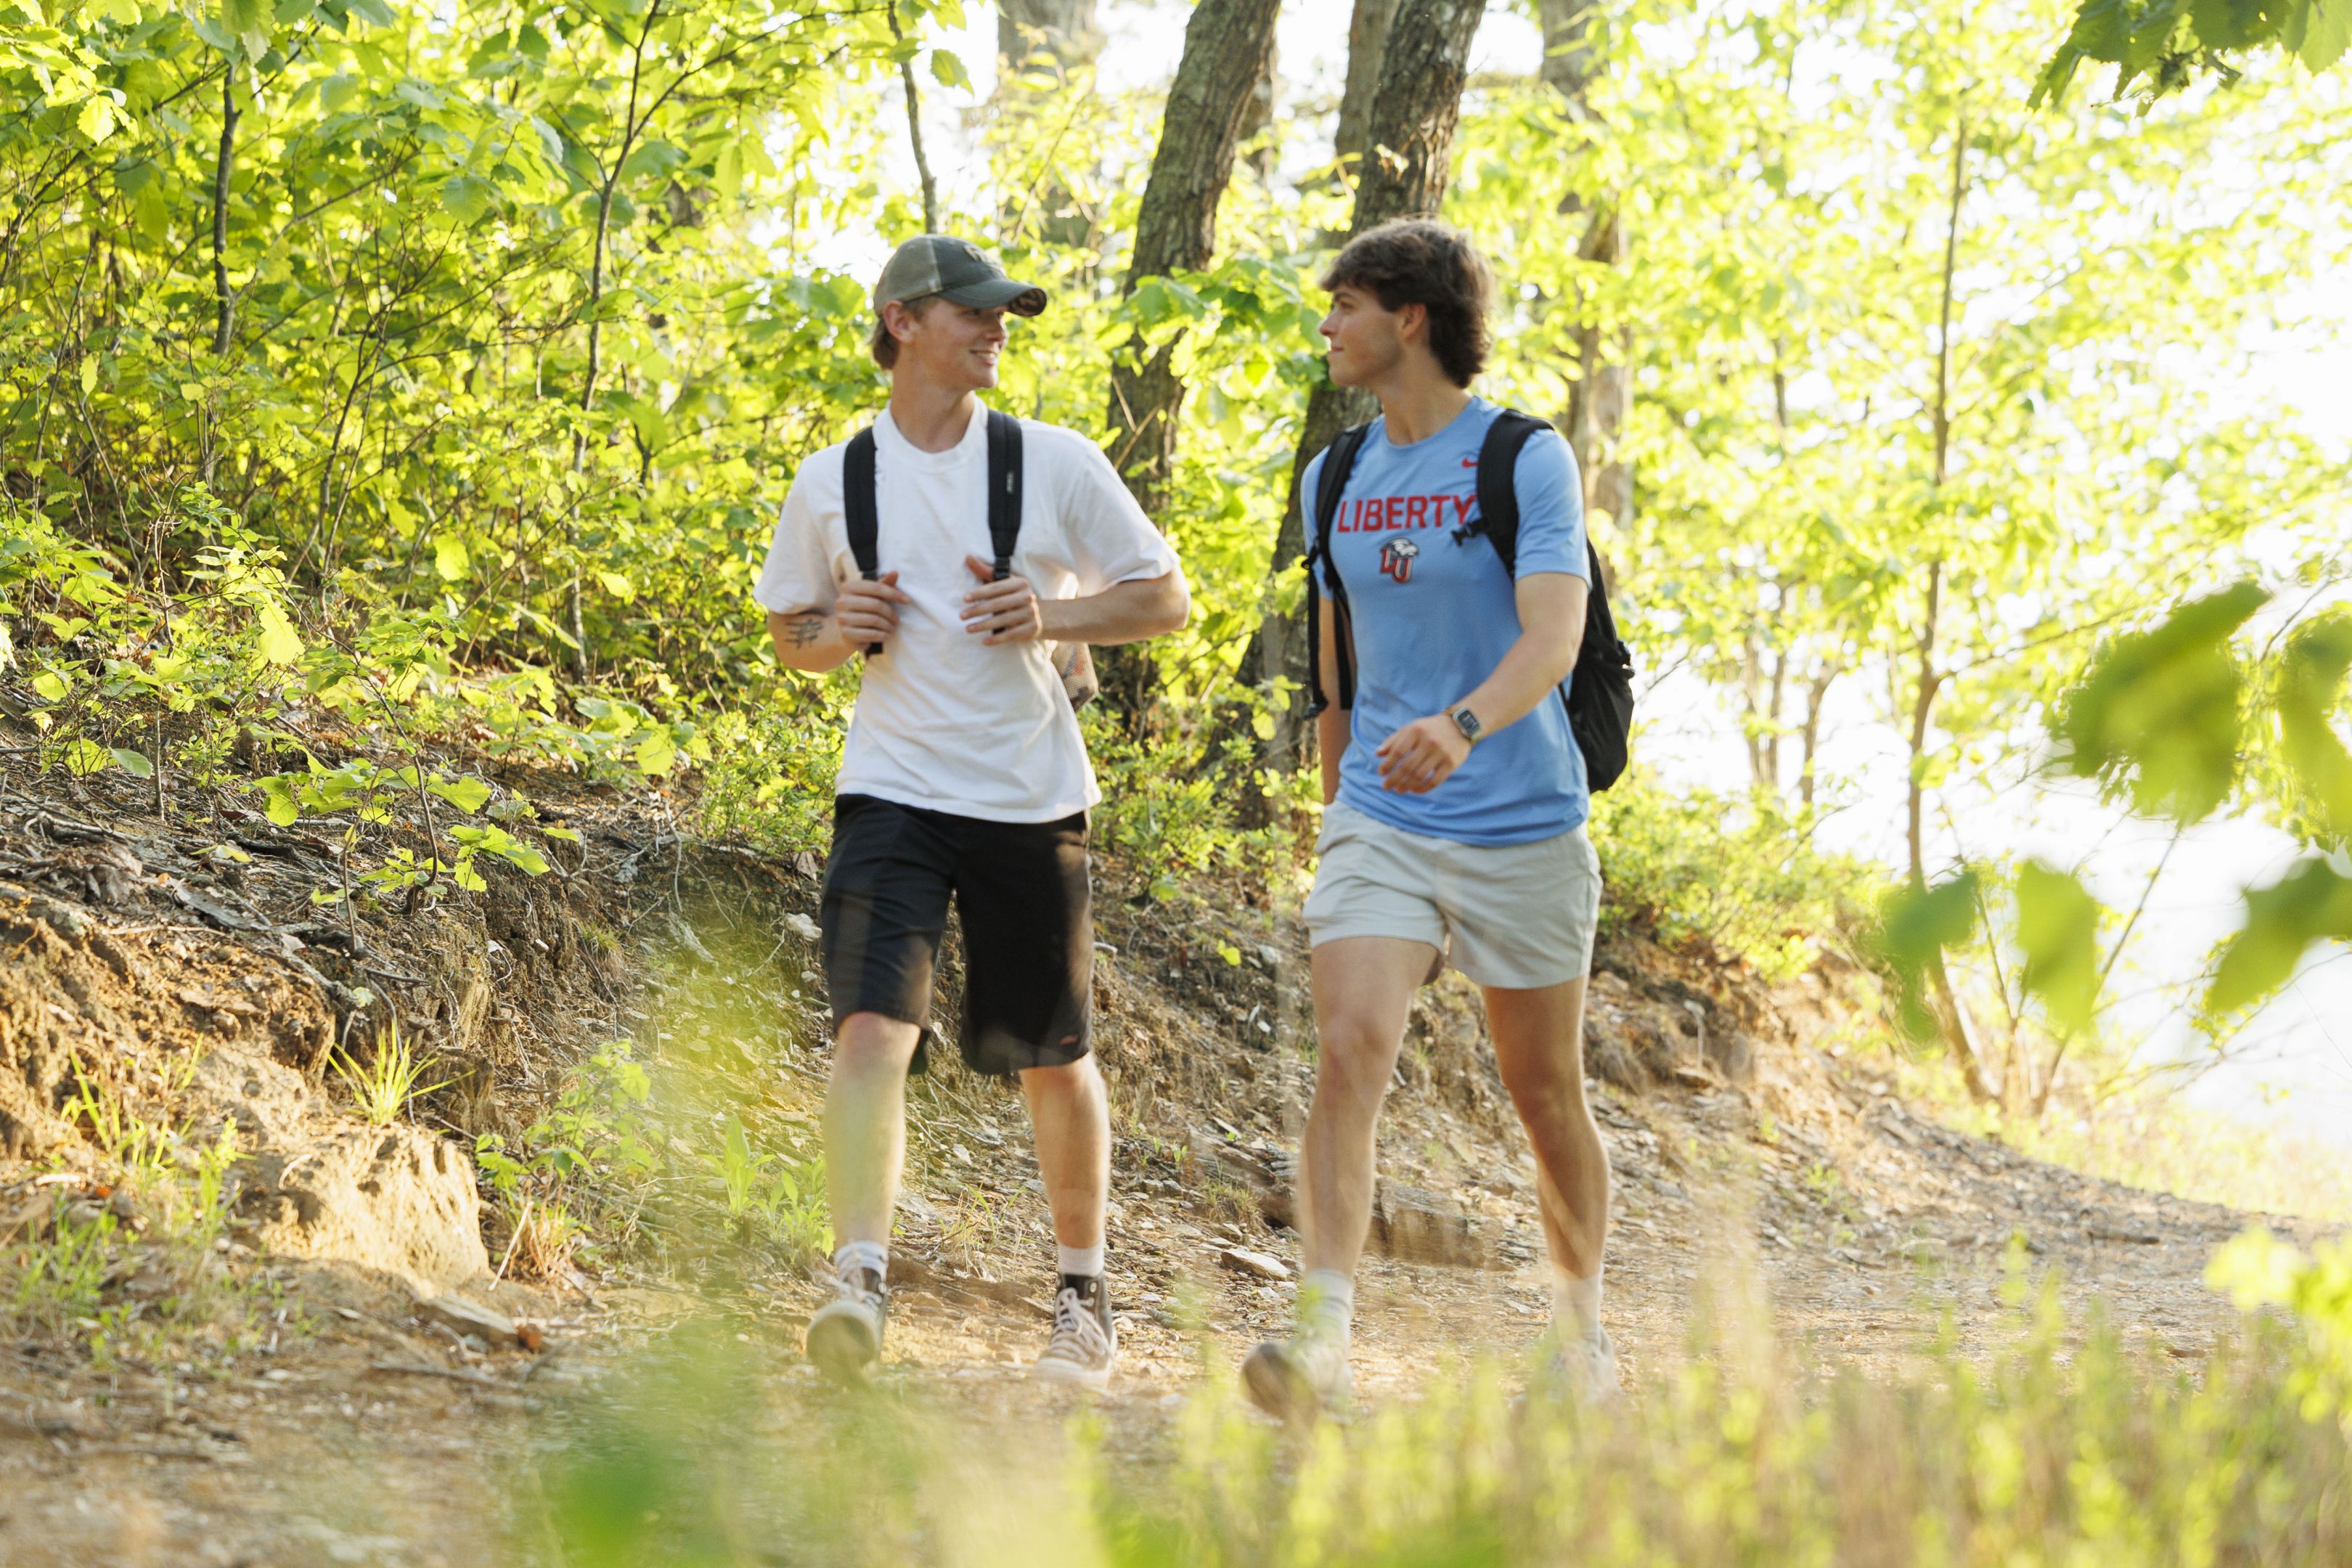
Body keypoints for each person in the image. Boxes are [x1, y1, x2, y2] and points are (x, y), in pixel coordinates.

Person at [756, 234, 1190, 1389]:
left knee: (1050, 1054)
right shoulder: (833, 478)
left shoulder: (1051, 462)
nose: (998, 329)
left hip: (1029, 798)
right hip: (891, 791)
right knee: (869, 1032)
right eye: (975, 313)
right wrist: (838, 631)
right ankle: (857, 1278)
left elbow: (1166, 599)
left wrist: (1051, 615)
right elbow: (792, 635)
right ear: (903, 323)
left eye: (1006, 316)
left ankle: (1084, 1295)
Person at [1243, 219, 1614, 1418]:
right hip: (1381, 822)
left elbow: (1553, 637)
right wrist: (1336, 801)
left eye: (1344, 304)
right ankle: (1320, 1335)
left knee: (1544, 1090)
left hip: (1521, 820)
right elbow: (1338, 662)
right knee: (1350, 1046)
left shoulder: (1524, 458)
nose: (1328, 326)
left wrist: (1460, 724)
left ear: (1410, 317)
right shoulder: (1334, 476)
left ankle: (1578, 1331)